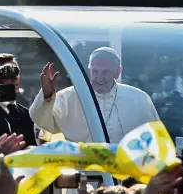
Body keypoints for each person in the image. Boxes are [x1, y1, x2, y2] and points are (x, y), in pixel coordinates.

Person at [30, 47, 159, 143]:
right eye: (95, 71)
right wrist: (47, 95)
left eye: (105, 72)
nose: (99, 78)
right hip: (81, 172)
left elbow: (155, 138)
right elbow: (41, 123)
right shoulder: (67, 97)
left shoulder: (139, 99)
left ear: (118, 72)